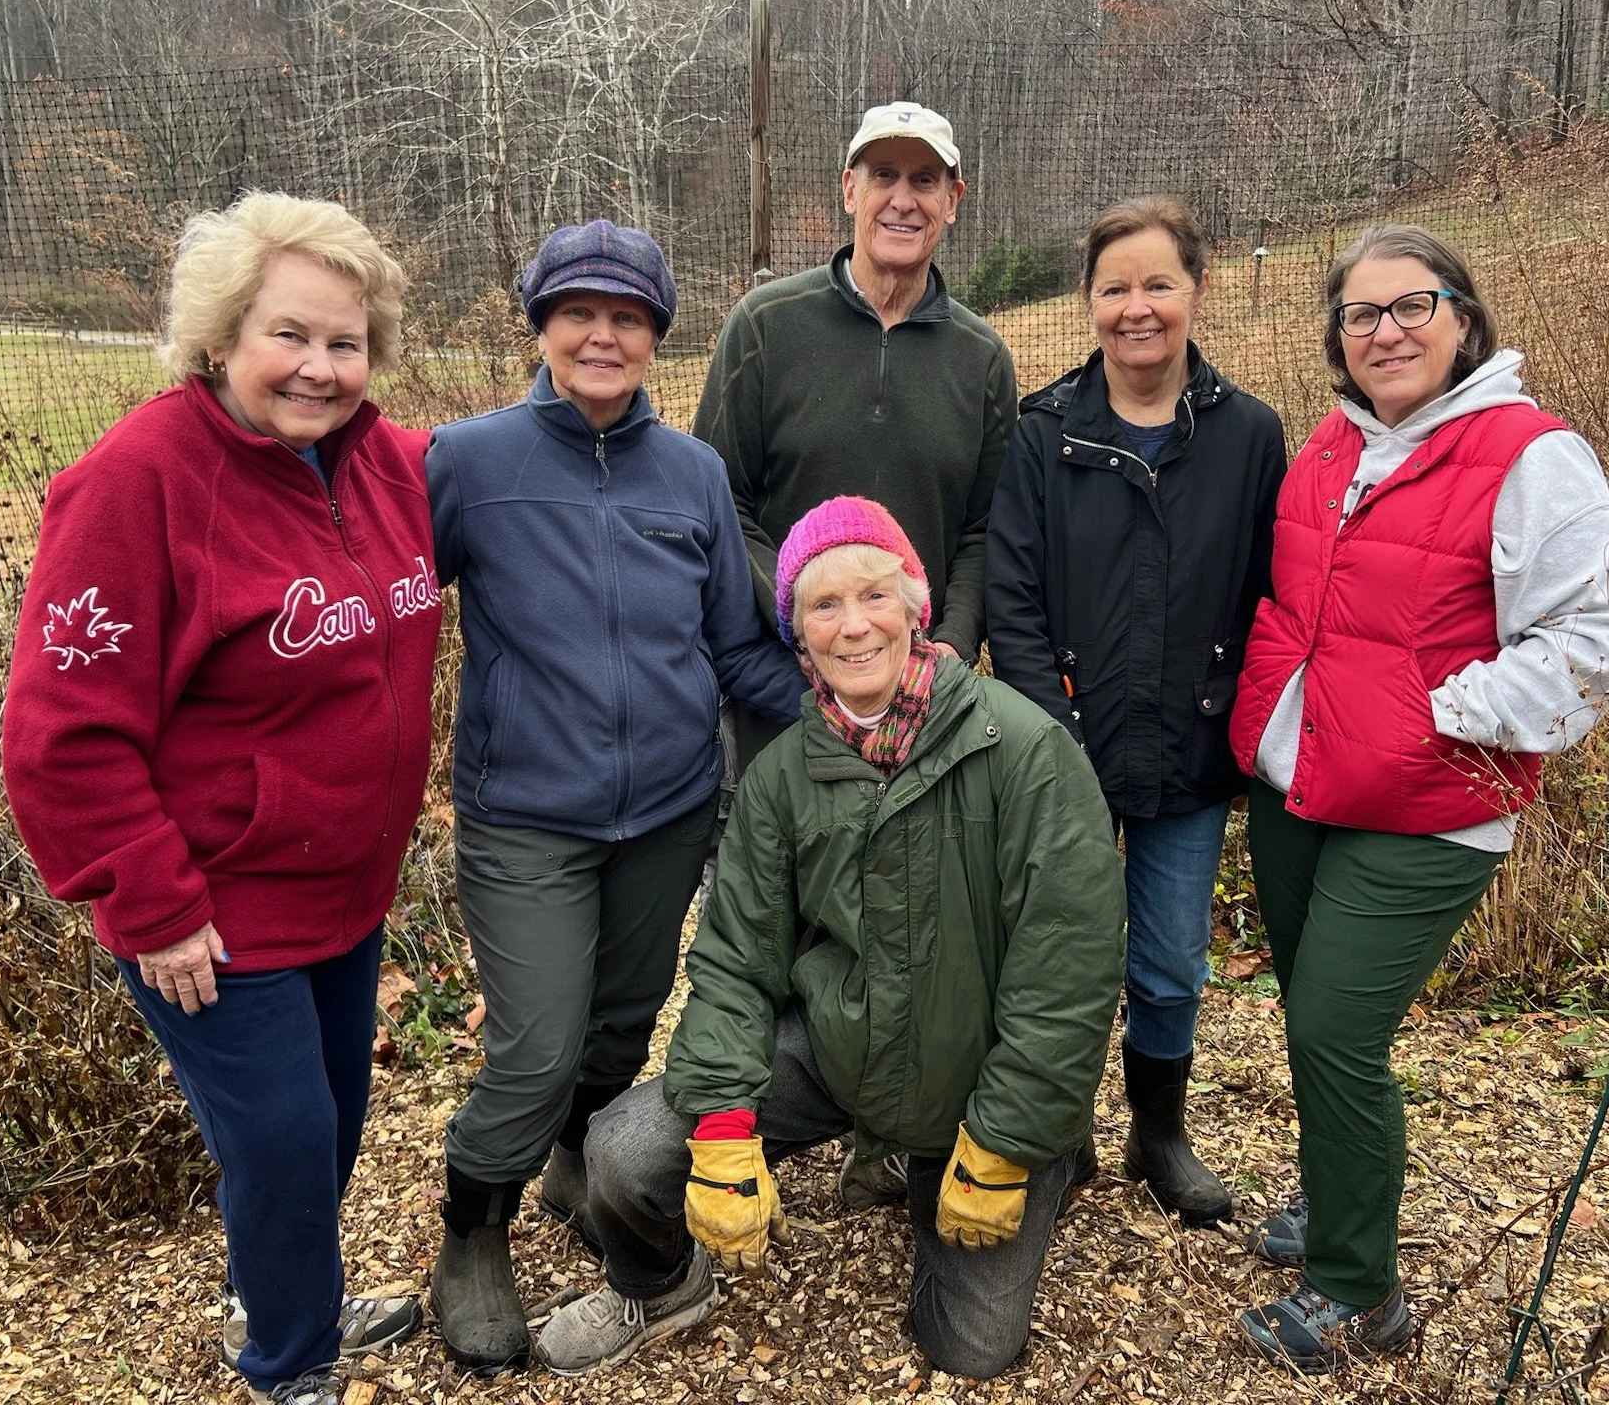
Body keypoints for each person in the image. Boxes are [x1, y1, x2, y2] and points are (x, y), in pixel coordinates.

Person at [1, 192, 436, 1405]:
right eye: (288, 334)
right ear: (220, 335)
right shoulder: (135, 485)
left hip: (343, 887)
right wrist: (147, 898)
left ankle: (276, 1278)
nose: (318, 367)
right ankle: (289, 1363)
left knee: (336, 1120)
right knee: (285, 1139)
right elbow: (57, 734)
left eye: (344, 342)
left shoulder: (381, 466)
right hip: (212, 909)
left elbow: (504, 473)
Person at [531, 496, 1125, 1381]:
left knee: (970, 1348)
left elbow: (1069, 970)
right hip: (841, 1046)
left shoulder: (1028, 750)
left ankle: (1040, 1152)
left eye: (875, 596)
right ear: (797, 638)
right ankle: (659, 1286)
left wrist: (1008, 1134)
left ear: (917, 606)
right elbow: (735, 959)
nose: (855, 628)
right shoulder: (779, 778)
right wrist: (727, 1122)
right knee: (621, 1152)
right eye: (823, 606)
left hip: (977, 1069)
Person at [1226, 224, 1609, 1373]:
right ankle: (1335, 1205)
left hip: (1425, 803)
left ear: (1461, 317)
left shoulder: (1526, 452)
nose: (1384, 332)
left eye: (1410, 306)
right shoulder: (1330, 445)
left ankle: (1360, 1291)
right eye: (1359, 315)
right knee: (1309, 1021)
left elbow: (1599, 633)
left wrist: (1445, 716)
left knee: (1333, 1028)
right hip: (1302, 783)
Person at [423, 220, 808, 1374]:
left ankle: (573, 1159)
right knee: (534, 1047)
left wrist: (853, 713)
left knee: (624, 1021)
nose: (602, 334)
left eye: (627, 316)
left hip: (670, 810)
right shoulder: (468, 461)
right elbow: (382, 609)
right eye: (577, 311)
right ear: (539, 323)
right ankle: (471, 1234)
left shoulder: (691, 474)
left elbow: (736, 647)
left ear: (654, 338)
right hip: (526, 815)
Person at [694, 101, 1018, 1206]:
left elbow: (982, 525)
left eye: (925, 180)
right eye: (881, 174)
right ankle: (760, 1117)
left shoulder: (978, 356)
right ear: (844, 190)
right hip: (786, 689)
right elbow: (716, 495)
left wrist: (951, 648)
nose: (902, 197)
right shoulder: (765, 325)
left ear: (953, 203)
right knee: (781, 904)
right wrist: (801, 623)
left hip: (920, 694)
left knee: (915, 908)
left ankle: (895, 1127)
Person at [985, 196, 1286, 1226]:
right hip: (1061, 740)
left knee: (1165, 956)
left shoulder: (1246, 435)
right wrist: (1047, 731)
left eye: (1157, 283)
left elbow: (1265, 593)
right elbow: (1012, 603)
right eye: (1114, 287)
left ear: (1195, 291)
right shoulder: (1040, 431)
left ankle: (1157, 1132)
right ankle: (1055, 1131)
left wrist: (1240, 720)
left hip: (1188, 742)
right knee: (1054, 950)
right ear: (1086, 302)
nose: (1136, 307)